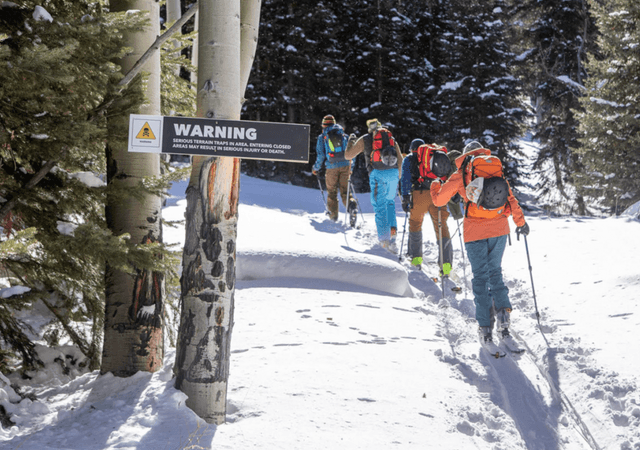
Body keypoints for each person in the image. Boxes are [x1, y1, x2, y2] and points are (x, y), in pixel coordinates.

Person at [430, 140, 529, 347]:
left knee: (481, 278)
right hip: (500, 230)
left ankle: (485, 327)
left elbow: (439, 201)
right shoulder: (495, 170)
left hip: (474, 232)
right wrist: (521, 222)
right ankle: (503, 318)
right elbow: (511, 199)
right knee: (496, 273)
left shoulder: (462, 173)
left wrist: (435, 185)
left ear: (465, 155)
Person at [345, 118, 403, 251]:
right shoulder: (390, 138)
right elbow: (400, 159)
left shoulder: (365, 138)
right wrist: (397, 177)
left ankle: (384, 242)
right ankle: (393, 236)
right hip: (393, 174)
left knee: (379, 207)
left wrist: (350, 143)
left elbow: (348, 155)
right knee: (390, 204)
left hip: (377, 174)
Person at [399, 139, 453, 273]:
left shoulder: (410, 159)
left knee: (415, 224)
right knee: (442, 227)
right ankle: (446, 265)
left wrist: (405, 197)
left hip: (419, 194)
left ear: (412, 149)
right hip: (438, 194)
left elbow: (405, 178)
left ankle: (416, 259)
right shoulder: (434, 157)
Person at [312, 115, 356, 222]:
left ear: (323, 125)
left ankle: (333, 218)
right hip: (346, 165)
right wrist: (351, 167)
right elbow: (351, 153)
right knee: (345, 192)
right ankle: (352, 207)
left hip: (332, 167)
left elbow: (321, 155)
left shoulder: (322, 137)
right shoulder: (343, 134)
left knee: (332, 193)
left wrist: (316, 168)